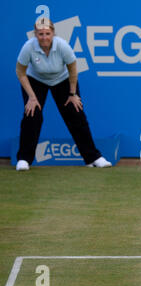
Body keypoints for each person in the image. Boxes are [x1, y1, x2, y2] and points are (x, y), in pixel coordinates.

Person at [15, 17, 112, 171]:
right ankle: (23, 159)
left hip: (62, 79)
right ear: (35, 35)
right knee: (32, 115)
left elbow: (73, 68)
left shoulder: (62, 46)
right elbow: (20, 72)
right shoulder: (28, 47)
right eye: (40, 34)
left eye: (47, 33)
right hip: (35, 80)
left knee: (76, 114)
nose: (44, 37)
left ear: (53, 33)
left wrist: (72, 94)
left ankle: (93, 157)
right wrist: (32, 97)